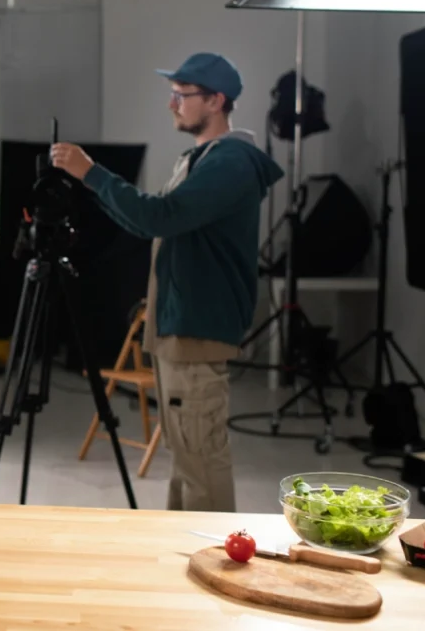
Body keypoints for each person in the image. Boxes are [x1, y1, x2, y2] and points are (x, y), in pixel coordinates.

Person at [51, 52, 284, 512]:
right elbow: (150, 225)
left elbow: (160, 216)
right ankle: (186, 553)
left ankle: (215, 557)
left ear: (216, 100)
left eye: (182, 95)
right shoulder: (201, 158)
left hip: (198, 328)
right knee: (185, 455)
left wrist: (91, 173)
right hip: (179, 325)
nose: (172, 104)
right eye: (171, 94)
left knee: (200, 455)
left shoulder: (231, 162)